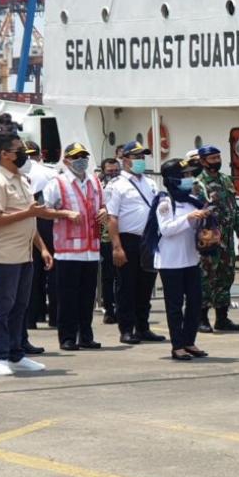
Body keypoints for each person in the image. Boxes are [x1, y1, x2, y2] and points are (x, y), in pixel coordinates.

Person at [0, 133, 55, 376]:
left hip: (25, 254)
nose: (23, 153)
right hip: (5, 254)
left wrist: (41, 247)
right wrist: (26, 214)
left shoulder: (22, 180)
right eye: (18, 149)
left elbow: (30, 217)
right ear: (5, 154)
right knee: (3, 307)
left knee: (20, 306)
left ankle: (16, 353)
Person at [41, 143, 107, 351]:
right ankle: (67, 337)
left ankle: (86, 335)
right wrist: (65, 214)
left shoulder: (95, 181)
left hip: (91, 248)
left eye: (84, 156)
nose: (81, 160)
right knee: (67, 297)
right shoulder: (58, 182)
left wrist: (104, 211)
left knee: (87, 296)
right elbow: (44, 211)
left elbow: (102, 204)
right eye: (76, 157)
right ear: (66, 160)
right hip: (68, 250)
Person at [150, 158, 211, 361]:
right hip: (171, 261)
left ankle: (189, 341)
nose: (189, 179)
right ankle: (177, 346)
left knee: (195, 301)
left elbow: (192, 228)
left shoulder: (189, 200)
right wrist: (189, 218)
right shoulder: (165, 201)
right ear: (173, 179)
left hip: (190, 259)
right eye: (185, 176)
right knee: (175, 305)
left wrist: (204, 223)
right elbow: (166, 229)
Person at [106, 141, 166, 345]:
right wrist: (117, 246)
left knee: (146, 286)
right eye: (136, 157)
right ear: (125, 159)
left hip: (148, 239)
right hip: (128, 239)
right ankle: (126, 329)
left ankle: (143, 327)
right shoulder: (117, 185)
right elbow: (111, 218)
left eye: (143, 157)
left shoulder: (150, 183)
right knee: (126, 286)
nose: (140, 161)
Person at [195, 145, 239, 333]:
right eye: (212, 158)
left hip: (227, 239)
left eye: (218, 157)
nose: (217, 161)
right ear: (202, 161)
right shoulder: (198, 183)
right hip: (208, 239)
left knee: (226, 276)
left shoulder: (226, 179)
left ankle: (222, 318)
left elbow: (234, 208)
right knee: (207, 277)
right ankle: (201, 318)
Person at [24, 140, 60, 331]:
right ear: (40, 155)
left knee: (32, 271)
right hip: (47, 220)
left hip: (25, 220)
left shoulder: (19, 172)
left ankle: (32, 316)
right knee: (52, 268)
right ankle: (54, 316)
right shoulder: (51, 172)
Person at [99, 158, 121, 324]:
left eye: (115, 171)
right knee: (108, 276)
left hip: (123, 234)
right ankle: (109, 309)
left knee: (122, 276)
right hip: (105, 236)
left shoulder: (124, 184)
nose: (113, 174)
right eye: (109, 172)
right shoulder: (98, 186)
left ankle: (122, 307)